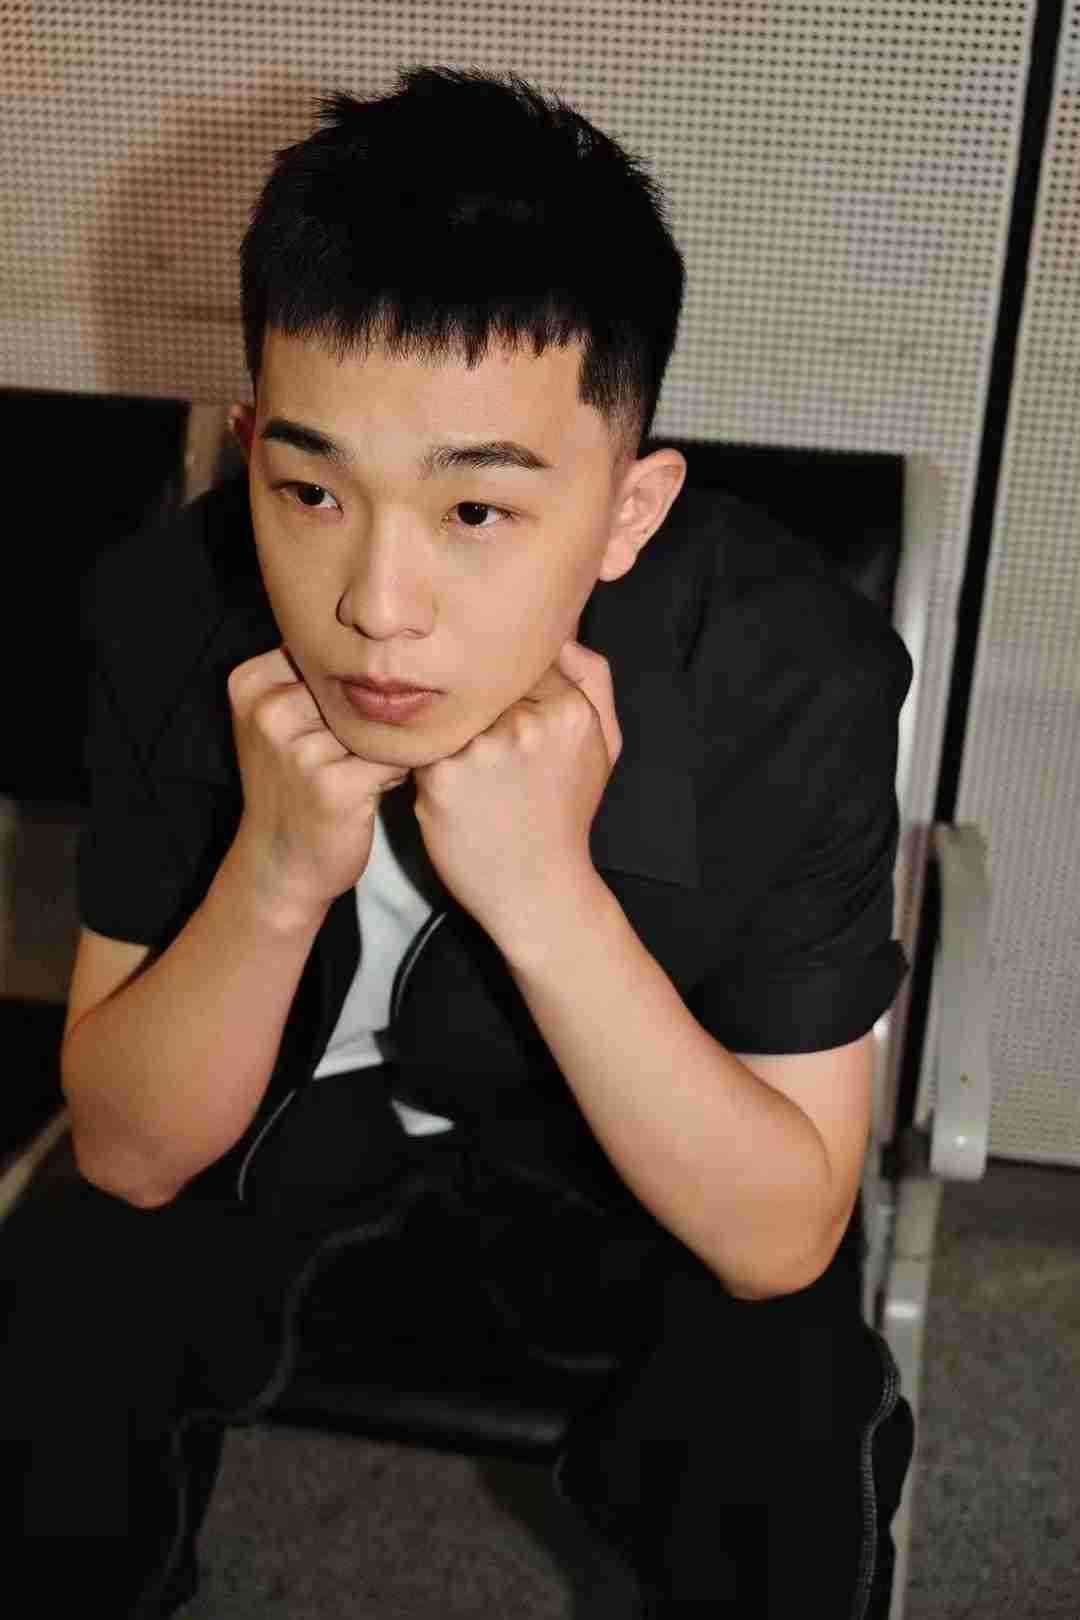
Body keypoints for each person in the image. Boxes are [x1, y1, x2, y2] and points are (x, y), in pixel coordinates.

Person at [0, 64, 916, 1617]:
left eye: (476, 512)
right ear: (250, 450)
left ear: (628, 512)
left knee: (785, 1403)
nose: (376, 605)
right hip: (277, 1129)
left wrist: (550, 901)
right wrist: (272, 876)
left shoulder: (789, 680)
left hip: (621, 1160)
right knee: (62, 1309)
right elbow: (131, 1152)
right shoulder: (168, 614)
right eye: (310, 490)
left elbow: (781, 1235)